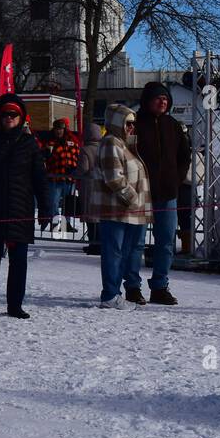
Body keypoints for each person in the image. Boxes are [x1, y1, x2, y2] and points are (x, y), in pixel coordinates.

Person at [0, 93, 49, 318]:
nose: (9, 118)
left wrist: (45, 207)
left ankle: (15, 304)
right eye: (5, 114)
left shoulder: (29, 143)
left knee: (18, 259)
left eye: (13, 114)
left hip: (19, 208)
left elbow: (40, 178)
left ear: (21, 117)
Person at [134, 82, 190, 305]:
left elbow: (184, 156)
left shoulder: (174, 125)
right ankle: (132, 286)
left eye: (165, 98)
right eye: (158, 98)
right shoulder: (135, 123)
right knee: (135, 243)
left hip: (167, 193)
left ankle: (160, 286)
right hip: (140, 192)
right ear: (147, 100)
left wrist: (175, 179)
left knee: (165, 241)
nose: (162, 101)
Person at [93, 104, 152, 309]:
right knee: (114, 252)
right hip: (117, 209)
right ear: (117, 123)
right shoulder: (111, 142)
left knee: (124, 252)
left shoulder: (125, 144)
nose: (131, 127)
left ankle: (115, 292)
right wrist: (134, 200)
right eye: (128, 123)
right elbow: (114, 178)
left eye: (133, 124)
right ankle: (110, 294)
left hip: (129, 211)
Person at [40, 118, 81, 230]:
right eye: (57, 129)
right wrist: (45, 153)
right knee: (54, 202)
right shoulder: (50, 142)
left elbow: (77, 156)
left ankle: (66, 224)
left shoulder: (72, 142)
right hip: (55, 178)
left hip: (69, 178)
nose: (58, 131)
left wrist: (75, 168)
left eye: (61, 129)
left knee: (67, 204)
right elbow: (43, 157)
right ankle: (55, 223)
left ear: (64, 129)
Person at [74, 122, 104, 255]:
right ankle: (99, 242)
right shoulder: (104, 149)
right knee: (100, 217)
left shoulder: (85, 150)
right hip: (102, 185)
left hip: (89, 186)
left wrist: (75, 172)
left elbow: (83, 169)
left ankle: (94, 243)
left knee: (91, 217)